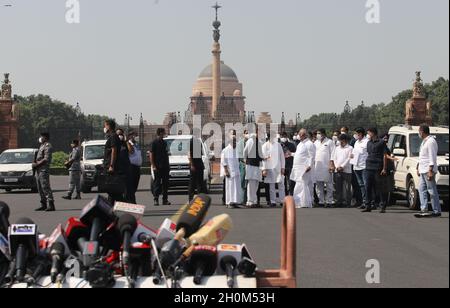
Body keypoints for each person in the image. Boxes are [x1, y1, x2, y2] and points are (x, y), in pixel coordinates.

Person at [416, 125, 442, 217]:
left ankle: (436, 210)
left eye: (419, 131)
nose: (418, 133)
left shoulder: (431, 141)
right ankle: (424, 209)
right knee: (421, 189)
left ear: (422, 131)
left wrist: (430, 170)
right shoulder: (424, 141)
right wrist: (418, 167)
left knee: (431, 190)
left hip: (428, 169)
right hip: (423, 169)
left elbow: (432, 157)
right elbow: (422, 156)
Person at [362, 128, 389, 213]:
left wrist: (384, 168)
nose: (368, 134)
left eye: (369, 132)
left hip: (378, 167)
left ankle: (382, 206)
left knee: (380, 188)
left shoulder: (381, 142)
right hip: (368, 167)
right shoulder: (368, 143)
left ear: (373, 133)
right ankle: (368, 205)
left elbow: (385, 155)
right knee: (367, 187)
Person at [291, 129, 315, 209]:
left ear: (304, 135)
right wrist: (291, 154)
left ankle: (304, 203)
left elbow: (312, 156)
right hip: (298, 168)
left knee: (302, 185)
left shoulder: (309, 144)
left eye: (299, 134)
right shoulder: (300, 144)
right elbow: (299, 154)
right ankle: (299, 202)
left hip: (305, 168)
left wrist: (309, 165)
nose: (298, 135)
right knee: (299, 184)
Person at [103, 120, 126, 204]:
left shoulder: (113, 137)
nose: (104, 128)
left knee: (113, 190)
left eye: (105, 126)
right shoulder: (112, 136)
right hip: (110, 165)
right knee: (112, 190)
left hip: (112, 167)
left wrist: (111, 165)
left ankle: (126, 207)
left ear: (109, 126)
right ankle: (109, 209)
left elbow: (114, 151)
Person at [262, 134, 286, 207]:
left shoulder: (278, 145)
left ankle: (282, 200)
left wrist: (283, 167)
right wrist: (264, 169)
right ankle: (273, 201)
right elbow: (263, 158)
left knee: (281, 185)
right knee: (271, 185)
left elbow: (282, 156)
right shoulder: (265, 146)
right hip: (270, 168)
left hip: (278, 168)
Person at [34, 132, 55, 212]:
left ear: (45, 137)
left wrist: (36, 164)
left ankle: (51, 204)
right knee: (40, 188)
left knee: (45, 187)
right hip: (39, 169)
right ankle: (43, 204)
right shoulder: (41, 146)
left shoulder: (48, 146)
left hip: (43, 169)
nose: (40, 138)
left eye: (41, 136)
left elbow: (46, 159)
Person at [330, 134, 353, 208]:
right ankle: (338, 201)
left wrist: (342, 166)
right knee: (338, 187)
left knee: (347, 187)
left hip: (347, 170)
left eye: (341, 140)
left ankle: (347, 202)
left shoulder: (350, 148)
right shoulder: (337, 148)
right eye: (339, 140)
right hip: (338, 170)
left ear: (345, 140)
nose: (340, 142)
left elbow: (349, 158)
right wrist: (337, 166)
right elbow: (334, 158)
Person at [221, 130, 242, 208]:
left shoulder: (236, 149)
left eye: (235, 141)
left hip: (236, 171)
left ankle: (235, 202)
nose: (234, 143)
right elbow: (223, 161)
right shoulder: (226, 150)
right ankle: (229, 202)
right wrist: (226, 171)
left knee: (236, 188)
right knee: (230, 188)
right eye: (233, 141)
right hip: (230, 172)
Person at [314, 128, 335, 207]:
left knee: (329, 184)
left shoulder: (330, 142)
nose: (317, 135)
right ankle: (321, 201)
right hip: (317, 166)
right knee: (319, 185)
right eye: (317, 133)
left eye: (319, 133)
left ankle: (329, 201)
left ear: (323, 134)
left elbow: (333, 153)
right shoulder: (315, 142)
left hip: (327, 166)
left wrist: (332, 164)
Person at [150, 128, 171, 206]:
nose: (164, 134)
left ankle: (165, 200)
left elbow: (166, 154)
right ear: (160, 133)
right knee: (157, 184)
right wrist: (153, 166)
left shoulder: (164, 142)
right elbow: (151, 155)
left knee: (166, 184)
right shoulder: (154, 143)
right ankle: (156, 199)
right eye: (163, 132)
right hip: (157, 167)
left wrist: (168, 165)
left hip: (165, 166)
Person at [244, 129, 263, 208]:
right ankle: (250, 201)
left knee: (256, 184)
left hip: (257, 165)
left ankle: (254, 201)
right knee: (251, 183)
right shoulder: (250, 141)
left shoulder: (260, 142)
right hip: (251, 165)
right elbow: (245, 152)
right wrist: (245, 160)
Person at [351, 128, 369, 209]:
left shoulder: (367, 142)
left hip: (364, 166)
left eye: (357, 134)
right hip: (356, 166)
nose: (355, 135)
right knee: (361, 185)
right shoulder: (356, 143)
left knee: (366, 185)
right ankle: (364, 201)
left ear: (361, 134)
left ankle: (368, 202)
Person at [188, 129, 206, 202]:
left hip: (199, 165)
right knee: (192, 183)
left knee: (200, 182)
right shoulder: (191, 142)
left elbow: (199, 155)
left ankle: (199, 198)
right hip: (194, 165)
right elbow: (189, 155)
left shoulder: (198, 142)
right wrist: (192, 165)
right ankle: (190, 198)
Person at [127, 131, 142, 204]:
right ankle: (131, 201)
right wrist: (129, 143)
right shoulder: (128, 144)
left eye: (136, 135)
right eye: (134, 135)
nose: (135, 137)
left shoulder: (136, 144)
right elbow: (131, 152)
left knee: (135, 185)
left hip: (137, 167)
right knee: (131, 185)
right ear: (130, 136)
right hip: (131, 167)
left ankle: (131, 199)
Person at [237, 130, 249, 204]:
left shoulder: (252, 142)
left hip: (251, 165)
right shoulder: (240, 143)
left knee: (249, 183)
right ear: (243, 134)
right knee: (242, 182)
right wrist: (245, 161)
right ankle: (242, 200)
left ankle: (248, 199)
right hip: (243, 165)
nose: (247, 134)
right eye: (246, 133)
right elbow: (240, 155)